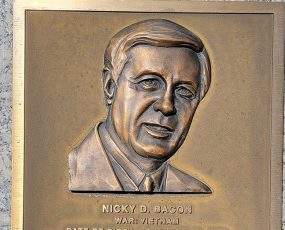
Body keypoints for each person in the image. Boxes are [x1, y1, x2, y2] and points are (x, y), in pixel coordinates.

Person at [68, 19, 212, 193]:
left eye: (184, 91)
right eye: (149, 82)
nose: (167, 106)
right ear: (110, 87)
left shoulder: (196, 193)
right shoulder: (65, 176)